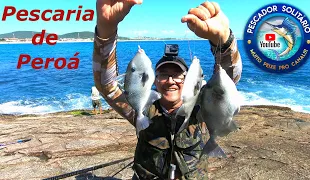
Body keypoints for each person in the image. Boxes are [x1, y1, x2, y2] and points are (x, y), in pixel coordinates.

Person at [92, 0, 242, 179]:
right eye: (163, 74)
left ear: (188, 80)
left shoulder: (201, 109)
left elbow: (227, 83)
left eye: (177, 75)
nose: (170, 81)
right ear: (153, 80)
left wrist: (224, 40)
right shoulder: (142, 111)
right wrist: (106, 29)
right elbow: (107, 86)